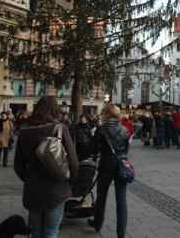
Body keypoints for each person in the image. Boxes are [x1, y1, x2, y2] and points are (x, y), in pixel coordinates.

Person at [14, 96, 79, 238]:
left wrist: (29, 179)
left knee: (35, 231)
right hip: (56, 188)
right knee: (51, 231)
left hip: (33, 190)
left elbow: (18, 166)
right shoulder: (60, 129)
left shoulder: (24, 131)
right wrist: (70, 181)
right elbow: (73, 161)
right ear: (55, 110)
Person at [88, 104, 130, 238]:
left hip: (106, 165)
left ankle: (97, 223)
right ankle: (121, 233)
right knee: (121, 199)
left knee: (101, 196)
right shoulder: (125, 129)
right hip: (121, 165)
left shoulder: (101, 129)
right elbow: (125, 150)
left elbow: (93, 149)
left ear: (106, 114)